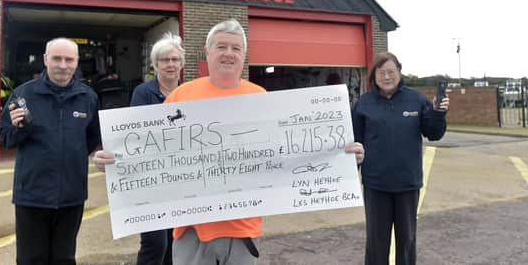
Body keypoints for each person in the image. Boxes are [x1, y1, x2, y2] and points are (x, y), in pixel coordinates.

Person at [94, 19, 364, 264]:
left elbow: (289, 150)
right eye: (221, 46)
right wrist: (116, 161)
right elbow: (154, 150)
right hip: (192, 230)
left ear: (244, 55)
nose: (228, 53)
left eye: (235, 48)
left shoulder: (261, 97)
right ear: (207, 52)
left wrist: (339, 155)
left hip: (243, 231)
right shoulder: (180, 96)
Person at [0, 37, 101, 265]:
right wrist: (17, 128)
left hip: (72, 196)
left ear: (76, 61)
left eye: (69, 59)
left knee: (64, 258)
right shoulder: (23, 95)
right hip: (32, 195)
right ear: (45, 60)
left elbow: (92, 139)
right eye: (57, 58)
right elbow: (4, 137)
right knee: (31, 259)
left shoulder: (88, 97)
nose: (63, 65)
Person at [95, 32, 185, 265]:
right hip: (150, 180)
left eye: (175, 60)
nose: (170, 64)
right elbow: (134, 135)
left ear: (181, 64)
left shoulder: (189, 93)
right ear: (155, 65)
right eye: (165, 60)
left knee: (177, 241)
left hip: (181, 179)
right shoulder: (143, 93)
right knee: (156, 243)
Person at [352, 52, 449, 265]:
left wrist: (438, 114)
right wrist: (354, 160)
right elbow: (354, 141)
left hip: (407, 184)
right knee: (376, 243)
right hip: (376, 185)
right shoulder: (364, 103)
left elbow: (433, 133)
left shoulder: (416, 100)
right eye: (381, 72)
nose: (387, 77)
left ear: (399, 72)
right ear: (374, 76)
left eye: (391, 72)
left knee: (407, 242)